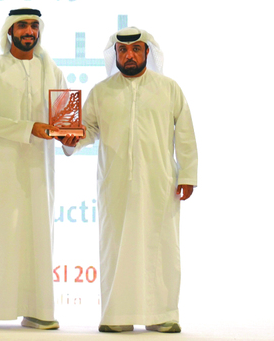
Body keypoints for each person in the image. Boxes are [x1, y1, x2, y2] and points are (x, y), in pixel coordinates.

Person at [61, 27, 198, 334]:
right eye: (123, 50)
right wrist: (70, 141)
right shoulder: (101, 92)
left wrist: (188, 174)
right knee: (116, 247)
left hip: (159, 184)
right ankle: (117, 315)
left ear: (147, 52)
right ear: (116, 54)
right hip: (116, 186)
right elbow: (87, 130)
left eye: (136, 49)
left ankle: (161, 315)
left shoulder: (169, 89)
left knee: (160, 248)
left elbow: (185, 134)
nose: (129, 55)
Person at [0, 8, 69, 330]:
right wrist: (29, 128)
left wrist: (69, 137)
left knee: (36, 238)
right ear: (10, 31)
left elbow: (64, 120)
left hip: (38, 171)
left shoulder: (52, 71)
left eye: (34, 26)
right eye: (23, 26)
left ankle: (37, 310)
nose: (29, 31)